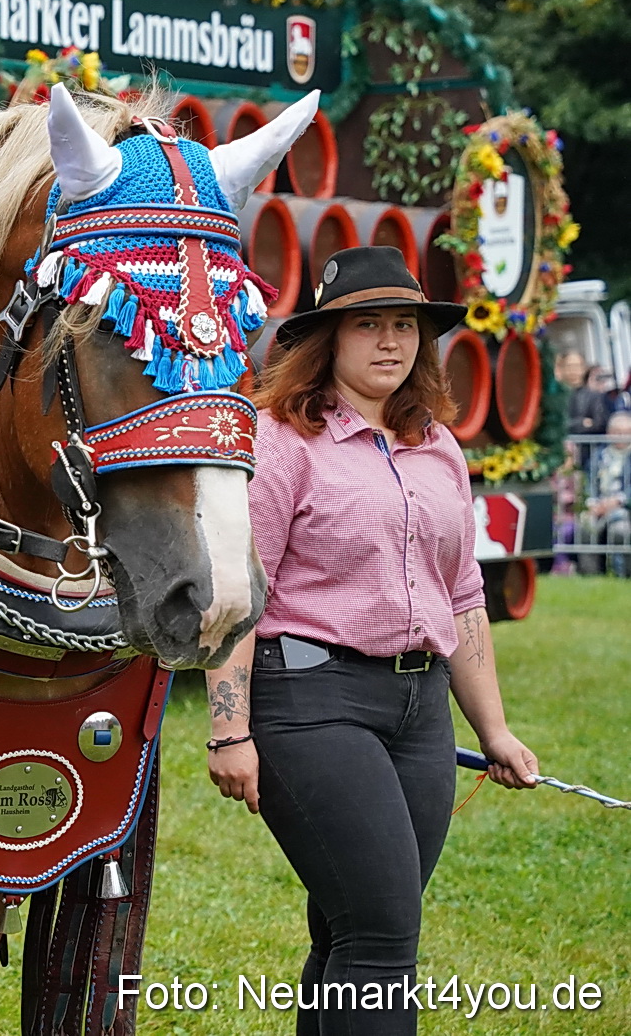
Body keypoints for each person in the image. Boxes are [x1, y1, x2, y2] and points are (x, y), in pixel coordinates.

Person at [206, 246, 540, 1035]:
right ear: (329, 338)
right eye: (368, 325)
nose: (391, 341)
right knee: (385, 937)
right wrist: (229, 729)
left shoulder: (439, 448)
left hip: (421, 713)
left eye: (405, 325)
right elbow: (239, 596)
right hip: (311, 702)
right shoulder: (281, 441)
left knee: (351, 928)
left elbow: (461, 597)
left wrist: (493, 729)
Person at [577, 410, 631, 576]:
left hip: (623, 508)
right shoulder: (598, 454)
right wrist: (591, 503)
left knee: (620, 530)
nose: (621, 436)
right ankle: (590, 574)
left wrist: (618, 501)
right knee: (585, 526)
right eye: (617, 432)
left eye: (625, 433)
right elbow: (588, 481)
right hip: (599, 506)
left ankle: (622, 574)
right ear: (608, 433)